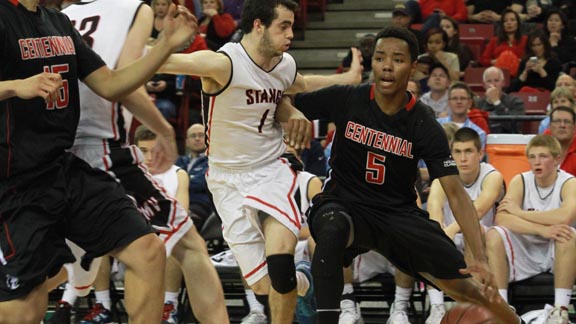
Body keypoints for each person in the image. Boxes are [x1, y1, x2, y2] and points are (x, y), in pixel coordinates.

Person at [288, 26, 525, 324]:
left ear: (413, 67)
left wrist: (477, 256)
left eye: (397, 59)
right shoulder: (347, 98)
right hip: (344, 203)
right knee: (331, 227)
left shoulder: (423, 122)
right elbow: (282, 97)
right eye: (380, 58)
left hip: (397, 213)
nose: (387, 65)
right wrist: (294, 114)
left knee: (469, 287)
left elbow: (455, 192)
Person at [158, 0, 363, 323]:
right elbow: (163, 62)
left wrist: (349, 79)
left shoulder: (283, 64)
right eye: (283, 26)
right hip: (227, 179)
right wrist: (153, 42)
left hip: (271, 169)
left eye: (292, 26)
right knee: (266, 285)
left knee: (280, 261)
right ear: (258, 26)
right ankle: (305, 280)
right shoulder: (223, 63)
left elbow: (303, 84)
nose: (291, 34)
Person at [0, 0, 194, 323]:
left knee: (148, 251)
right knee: (23, 310)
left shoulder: (58, 22)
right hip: (16, 184)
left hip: (62, 168)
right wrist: (16, 86)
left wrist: (164, 46)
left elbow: (110, 84)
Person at [52, 1, 229, 324]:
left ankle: (82, 272)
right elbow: (121, 82)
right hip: (102, 150)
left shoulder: (60, 16)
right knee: (182, 247)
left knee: (43, 275)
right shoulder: (134, 8)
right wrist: (163, 129)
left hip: (56, 153)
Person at [485, 134, 576, 324]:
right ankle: (502, 307)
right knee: (494, 234)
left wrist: (519, 213)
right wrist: (542, 229)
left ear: (557, 159)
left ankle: (560, 310)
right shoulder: (521, 180)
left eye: (543, 156)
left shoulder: (569, 183)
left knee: (568, 234)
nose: (537, 162)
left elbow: (564, 216)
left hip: (557, 250)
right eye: (532, 157)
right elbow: (502, 217)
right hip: (526, 246)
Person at [425, 127, 505, 324]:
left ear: (480, 153)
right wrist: (441, 236)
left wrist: (450, 231)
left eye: (468, 151)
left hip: (484, 242)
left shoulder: (492, 176)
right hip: (450, 241)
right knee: (427, 236)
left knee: (473, 231)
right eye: (457, 152)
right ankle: (436, 307)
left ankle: (477, 305)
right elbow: (434, 215)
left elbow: (476, 212)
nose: (463, 158)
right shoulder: (441, 179)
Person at [134, 125, 190, 324]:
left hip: (163, 235)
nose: (149, 157)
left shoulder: (177, 174)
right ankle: (103, 304)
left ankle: (170, 304)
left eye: (154, 151)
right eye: (144, 151)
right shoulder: (129, 174)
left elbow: (181, 212)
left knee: (175, 239)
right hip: (134, 239)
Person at [175, 123, 213, 230]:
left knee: (183, 223)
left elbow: (202, 182)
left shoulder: (213, 161)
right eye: (193, 136)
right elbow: (170, 180)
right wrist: (191, 178)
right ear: (186, 142)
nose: (197, 138)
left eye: (201, 135)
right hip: (176, 203)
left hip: (200, 205)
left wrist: (182, 180)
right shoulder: (180, 161)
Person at [475, 66, 525, 134]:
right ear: (484, 85)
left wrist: (496, 102)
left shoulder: (515, 102)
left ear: (503, 83)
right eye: (489, 81)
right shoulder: (477, 104)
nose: (493, 84)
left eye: (496, 80)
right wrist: (489, 101)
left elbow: (514, 127)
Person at [479, 9, 527, 74]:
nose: (509, 23)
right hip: (498, 73)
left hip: (520, 73)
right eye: (505, 21)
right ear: (502, 24)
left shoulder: (525, 40)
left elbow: (531, 57)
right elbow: (483, 60)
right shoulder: (494, 40)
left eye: (512, 20)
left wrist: (520, 61)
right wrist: (493, 62)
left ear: (518, 23)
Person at [547, 107, 576, 176]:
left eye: (567, 121)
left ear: (574, 127)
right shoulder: (539, 150)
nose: (562, 125)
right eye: (557, 121)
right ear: (550, 126)